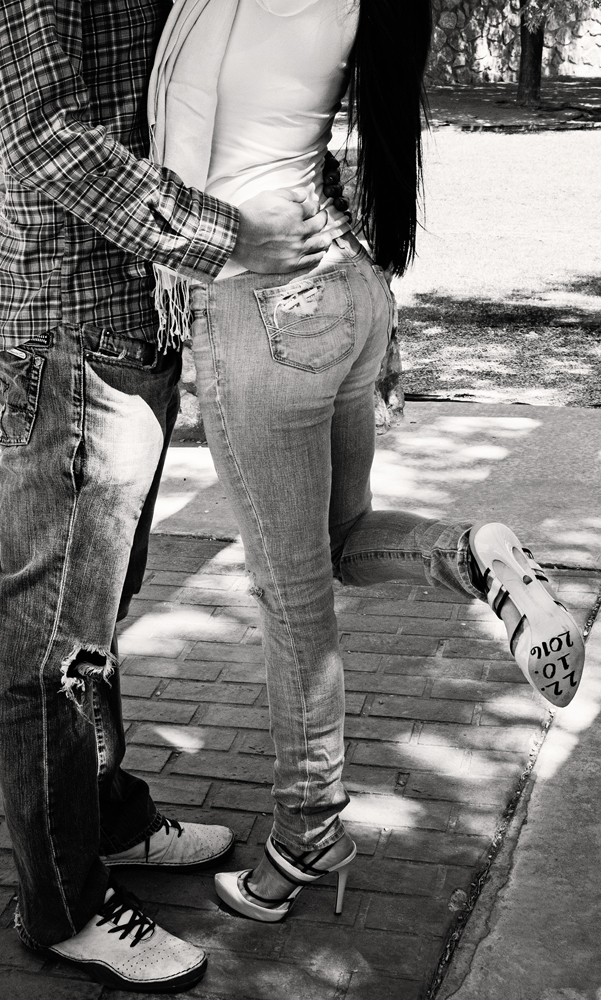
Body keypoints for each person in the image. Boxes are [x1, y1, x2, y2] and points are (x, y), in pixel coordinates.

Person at [148, 0, 586, 925]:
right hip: (347, 281)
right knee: (342, 541)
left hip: (256, 301)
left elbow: (175, 146)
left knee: (291, 599)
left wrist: (186, 282)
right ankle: (472, 553)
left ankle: (306, 833)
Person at [0, 0, 348, 993]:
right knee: (49, 648)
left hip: (128, 323)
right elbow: (44, 138)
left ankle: (106, 821)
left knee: (94, 620)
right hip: (71, 330)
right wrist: (227, 235)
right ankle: (64, 906)